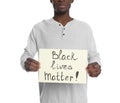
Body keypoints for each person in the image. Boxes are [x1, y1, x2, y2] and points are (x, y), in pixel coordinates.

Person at [20, 0, 101, 103]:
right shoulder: (39, 28)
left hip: (78, 99)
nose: (61, 0)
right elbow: (26, 54)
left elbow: (94, 56)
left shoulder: (85, 29)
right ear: (51, 0)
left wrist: (96, 66)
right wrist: (26, 63)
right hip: (48, 99)